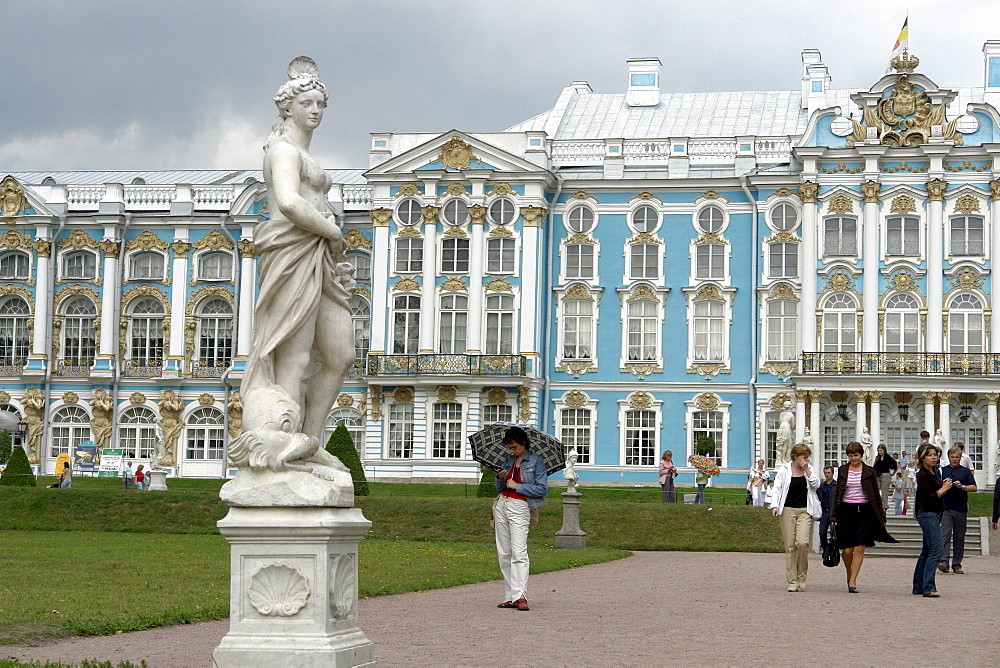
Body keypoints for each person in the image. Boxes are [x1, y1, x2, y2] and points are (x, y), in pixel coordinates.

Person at [243, 56, 356, 442]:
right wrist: (333, 231)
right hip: (293, 254)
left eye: (321, 104)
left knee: (341, 356)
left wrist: (328, 237)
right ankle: (292, 443)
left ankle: (308, 440)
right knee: (294, 358)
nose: (316, 110)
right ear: (287, 106)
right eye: (307, 103)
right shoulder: (283, 151)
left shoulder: (305, 154)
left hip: (318, 258)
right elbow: (290, 204)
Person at [494, 426, 548, 612]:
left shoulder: (536, 461)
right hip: (502, 505)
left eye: (515, 447)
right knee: (504, 553)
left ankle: (521, 595)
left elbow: (542, 489)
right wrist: (500, 478)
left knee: (519, 552)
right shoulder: (509, 461)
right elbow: (501, 488)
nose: (512, 451)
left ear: (523, 443)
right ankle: (510, 596)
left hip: (520, 507)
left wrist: (519, 486)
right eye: (510, 448)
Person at [831, 441, 897, 593]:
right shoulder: (842, 470)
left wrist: (882, 516)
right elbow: (837, 495)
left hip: (864, 510)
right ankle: (849, 573)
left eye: (856, 455)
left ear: (861, 455)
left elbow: (875, 494)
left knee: (859, 547)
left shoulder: (869, 471)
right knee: (847, 550)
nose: (853, 458)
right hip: (846, 511)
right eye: (850, 455)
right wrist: (833, 516)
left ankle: (853, 581)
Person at [770, 444, 821, 592]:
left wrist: (806, 469)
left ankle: (802, 576)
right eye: (804, 457)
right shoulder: (784, 470)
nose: (806, 460)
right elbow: (777, 489)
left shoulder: (809, 469)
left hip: (805, 510)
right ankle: (792, 580)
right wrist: (775, 505)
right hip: (787, 510)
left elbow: (816, 485)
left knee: (802, 543)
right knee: (790, 546)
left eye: (807, 457)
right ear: (795, 457)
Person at [913, 444, 950, 597]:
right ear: (922, 458)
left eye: (935, 454)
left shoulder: (933, 472)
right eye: (930, 455)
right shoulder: (922, 475)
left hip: (934, 514)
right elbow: (927, 498)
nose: (933, 457)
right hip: (928, 514)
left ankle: (918, 586)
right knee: (937, 550)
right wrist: (943, 489)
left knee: (927, 551)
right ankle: (928, 587)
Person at [938, 446, 977, 574]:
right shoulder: (942, 471)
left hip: (960, 508)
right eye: (952, 457)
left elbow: (974, 488)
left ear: (961, 458)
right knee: (945, 534)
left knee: (959, 537)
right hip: (946, 508)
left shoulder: (965, 471)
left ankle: (956, 564)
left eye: (957, 457)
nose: (954, 459)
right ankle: (944, 561)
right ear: (948, 457)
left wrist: (963, 487)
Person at [873, 444, 898, 514]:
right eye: (878, 450)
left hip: (885, 475)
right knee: (876, 490)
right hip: (878, 475)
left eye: (881, 450)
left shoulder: (888, 458)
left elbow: (896, 465)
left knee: (884, 491)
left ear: (884, 450)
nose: (879, 452)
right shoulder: (877, 458)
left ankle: (884, 506)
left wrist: (893, 473)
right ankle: (877, 505)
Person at [817, 466, 836, 550]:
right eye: (825, 473)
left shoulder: (836, 485)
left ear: (832, 473)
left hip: (833, 512)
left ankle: (834, 550)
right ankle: (826, 549)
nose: (827, 475)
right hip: (824, 512)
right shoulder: (821, 486)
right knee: (822, 533)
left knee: (834, 533)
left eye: (829, 473)